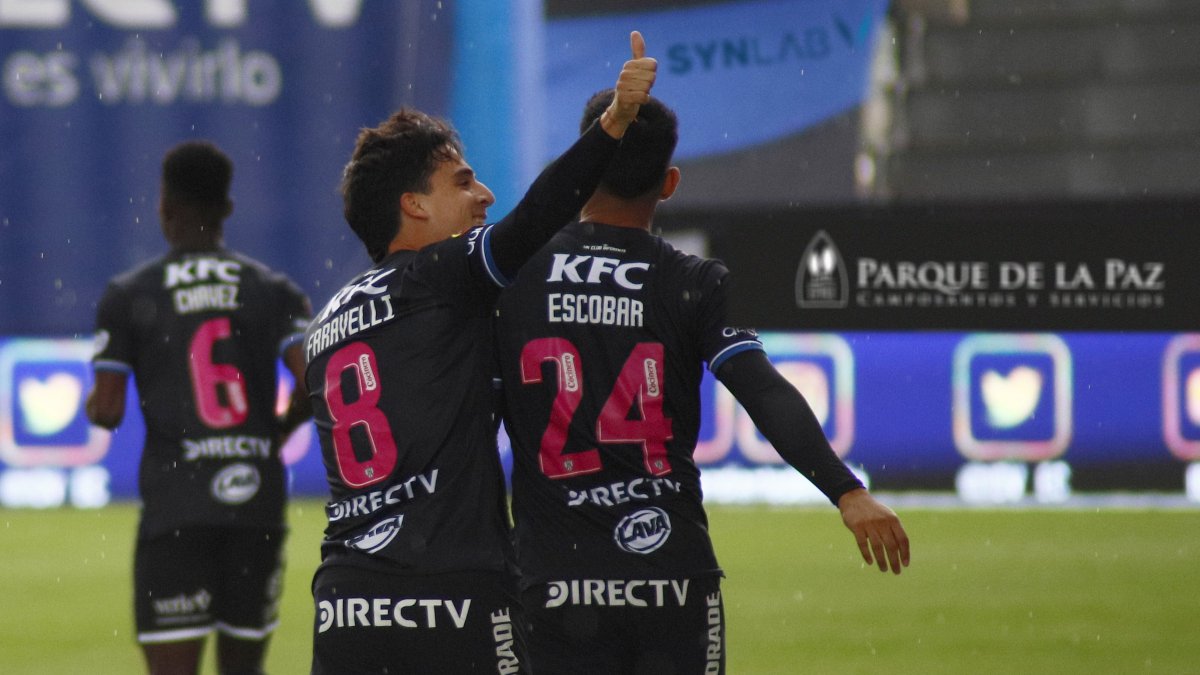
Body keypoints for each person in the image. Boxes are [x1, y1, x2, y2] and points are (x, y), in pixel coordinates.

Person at [493, 91, 912, 674]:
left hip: (552, 579)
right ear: (669, 184)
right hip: (670, 574)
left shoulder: (513, 277)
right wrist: (848, 491)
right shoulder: (693, 281)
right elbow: (762, 390)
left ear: (580, 167)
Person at [303, 32, 656, 674]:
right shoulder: (439, 276)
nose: (484, 195)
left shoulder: (326, 321)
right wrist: (613, 125)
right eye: (462, 181)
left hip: (346, 600)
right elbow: (531, 222)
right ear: (413, 205)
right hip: (451, 591)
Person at [86, 140, 313, 675]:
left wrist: (94, 400)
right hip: (255, 502)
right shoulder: (273, 290)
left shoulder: (130, 293)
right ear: (227, 209)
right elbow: (317, 379)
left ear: (164, 208)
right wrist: (281, 425)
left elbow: (109, 411)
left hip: (177, 511)